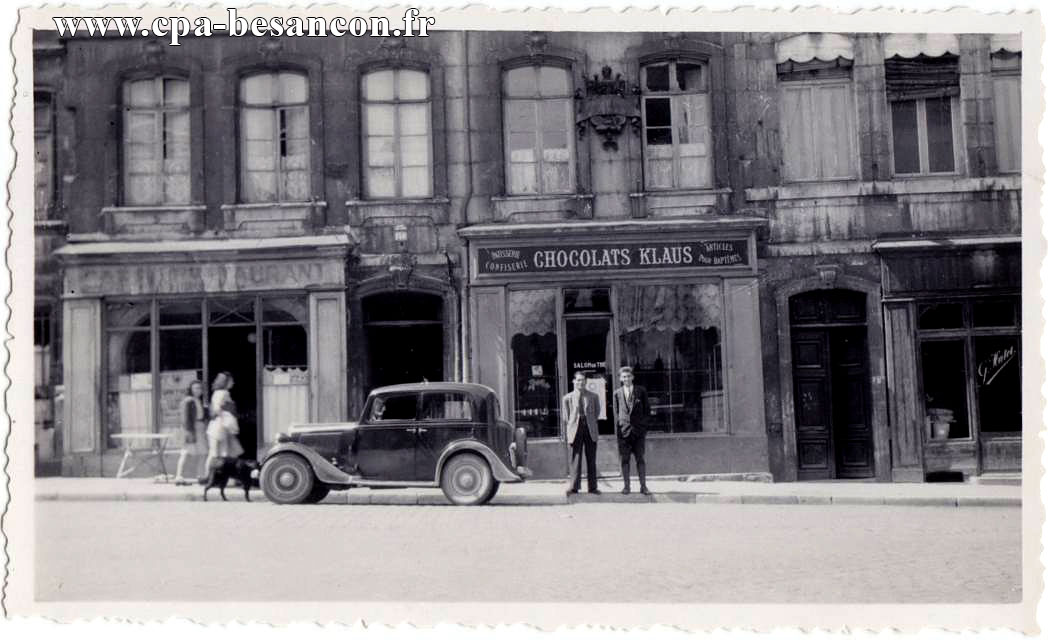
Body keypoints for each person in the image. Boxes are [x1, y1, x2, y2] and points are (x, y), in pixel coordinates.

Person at [562, 371, 601, 495]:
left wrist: (588, 421)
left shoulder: (593, 396)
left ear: (586, 382)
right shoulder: (567, 398)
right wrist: (575, 420)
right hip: (575, 429)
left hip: (590, 428)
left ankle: (593, 487)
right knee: (575, 458)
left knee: (591, 458)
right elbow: (566, 417)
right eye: (578, 380)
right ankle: (574, 487)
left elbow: (597, 413)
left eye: (583, 380)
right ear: (574, 381)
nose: (581, 382)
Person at [612, 366, 650, 495]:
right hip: (624, 433)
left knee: (640, 459)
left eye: (628, 376)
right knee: (625, 460)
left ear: (632, 377)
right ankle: (626, 487)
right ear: (620, 379)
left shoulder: (641, 391)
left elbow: (647, 411)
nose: (626, 379)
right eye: (624, 377)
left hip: (638, 432)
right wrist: (621, 427)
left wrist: (643, 427)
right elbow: (617, 413)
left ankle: (643, 486)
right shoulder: (617, 393)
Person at [204, 371, 245, 481]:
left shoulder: (218, 392)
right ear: (226, 382)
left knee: (217, 453)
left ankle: (210, 476)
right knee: (219, 453)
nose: (233, 382)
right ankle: (214, 477)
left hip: (217, 427)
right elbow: (217, 409)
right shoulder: (224, 393)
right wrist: (226, 416)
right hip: (220, 426)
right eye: (231, 380)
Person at [173, 380, 208, 486]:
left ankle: (201, 476)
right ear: (191, 389)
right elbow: (185, 419)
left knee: (203, 452)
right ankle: (179, 476)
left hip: (200, 428)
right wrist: (189, 432)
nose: (198, 390)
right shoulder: (188, 401)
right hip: (191, 429)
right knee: (186, 452)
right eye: (196, 388)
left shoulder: (199, 401)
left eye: (200, 388)